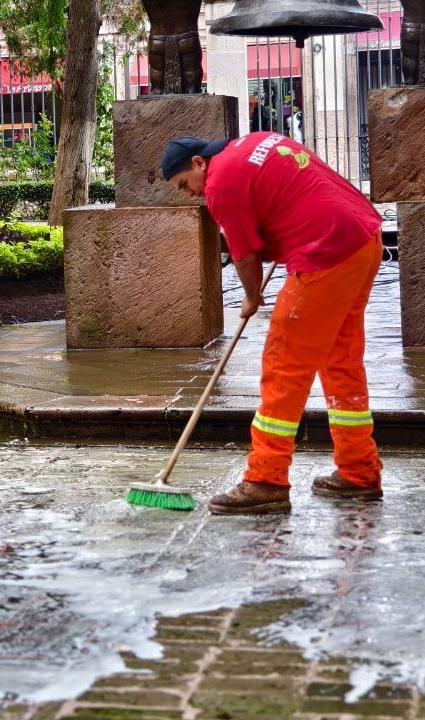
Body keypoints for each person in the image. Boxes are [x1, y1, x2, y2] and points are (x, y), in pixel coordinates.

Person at [161, 132, 383, 514]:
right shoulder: (253, 143)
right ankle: (358, 470)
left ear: (198, 163)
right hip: (362, 238)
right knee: (340, 362)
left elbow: (244, 254)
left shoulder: (219, 183)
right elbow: (288, 193)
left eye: (184, 184)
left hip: (325, 251)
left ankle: (266, 479)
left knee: (283, 366)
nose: (189, 193)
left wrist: (251, 297)